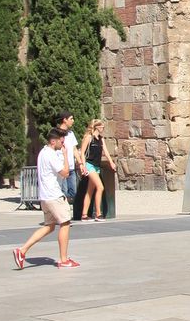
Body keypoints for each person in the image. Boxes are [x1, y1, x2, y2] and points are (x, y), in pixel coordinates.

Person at [13, 127, 79, 269]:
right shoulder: (51, 155)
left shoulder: (42, 152)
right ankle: (63, 259)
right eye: (61, 142)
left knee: (49, 227)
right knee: (65, 223)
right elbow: (66, 173)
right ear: (53, 141)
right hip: (54, 195)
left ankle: (22, 250)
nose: (63, 145)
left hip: (45, 196)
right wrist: (67, 156)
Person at [80, 119, 114, 221]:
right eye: (101, 126)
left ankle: (84, 214)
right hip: (89, 164)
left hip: (96, 166)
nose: (103, 128)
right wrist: (83, 165)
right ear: (97, 127)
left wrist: (111, 162)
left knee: (90, 191)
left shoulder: (101, 139)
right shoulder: (88, 138)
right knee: (100, 187)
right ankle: (98, 213)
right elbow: (82, 152)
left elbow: (106, 152)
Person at [59, 111, 84, 201]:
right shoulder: (57, 133)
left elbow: (74, 149)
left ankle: (65, 206)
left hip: (71, 168)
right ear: (64, 120)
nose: (73, 121)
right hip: (62, 167)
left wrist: (80, 163)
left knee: (73, 191)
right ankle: (63, 210)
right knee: (64, 191)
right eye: (71, 119)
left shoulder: (71, 134)